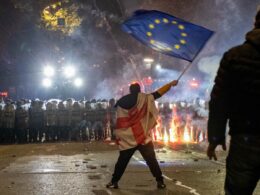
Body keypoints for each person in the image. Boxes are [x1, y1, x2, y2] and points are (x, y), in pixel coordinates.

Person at [207, 10, 260, 195]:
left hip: (244, 138)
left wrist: (215, 137)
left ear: (255, 23)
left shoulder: (234, 56)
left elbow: (219, 101)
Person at [106, 80, 178, 189]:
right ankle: (160, 181)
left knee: (122, 162)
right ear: (139, 90)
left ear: (130, 91)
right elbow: (158, 93)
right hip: (143, 137)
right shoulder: (145, 98)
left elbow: (120, 120)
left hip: (128, 137)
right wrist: (170, 85)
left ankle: (113, 181)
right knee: (152, 161)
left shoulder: (121, 101)